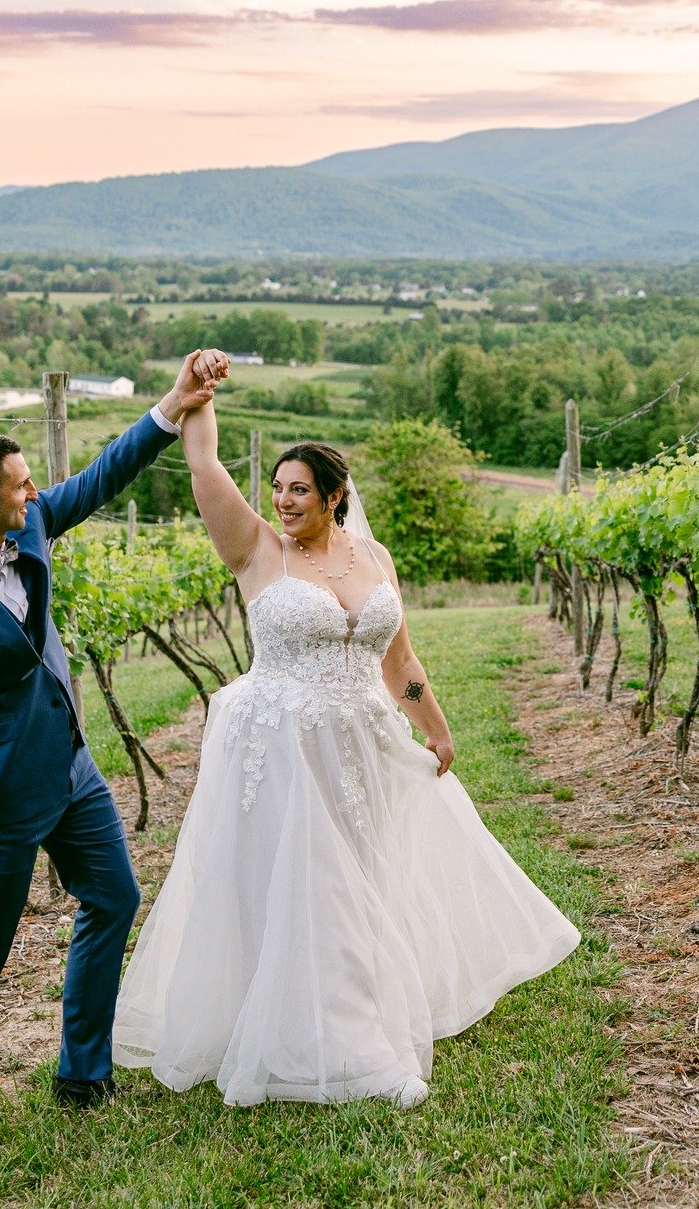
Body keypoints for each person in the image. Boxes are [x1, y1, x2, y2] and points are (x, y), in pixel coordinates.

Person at [112, 354, 579, 1108]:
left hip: (361, 744)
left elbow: (398, 658)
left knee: (361, 884)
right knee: (301, 887)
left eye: (300, 490)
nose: (284, 500)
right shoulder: (256, 549)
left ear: (335, 496)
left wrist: (436, 726)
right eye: (278, 489)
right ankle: (347, 1050)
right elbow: (204, 464)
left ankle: (350, 1010)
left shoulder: (375, 557)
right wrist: (194, 392)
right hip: (280, 747)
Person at [0, 353, 228, 1154]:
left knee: (115, 896)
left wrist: (172, 406)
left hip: (71, 768)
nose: (34, 491)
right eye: (21, 481)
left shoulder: (29, 522)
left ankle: (81, 1071)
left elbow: (98, 479)